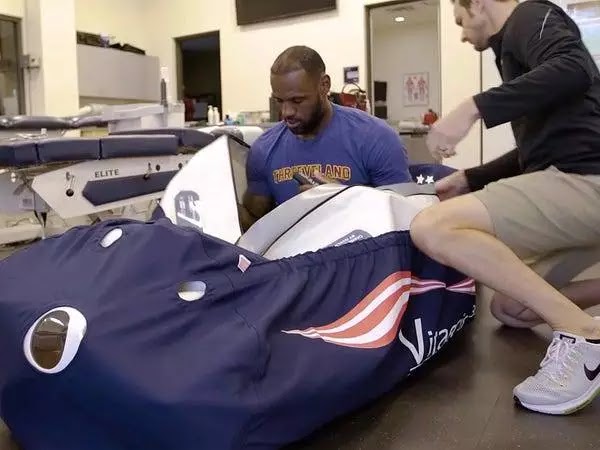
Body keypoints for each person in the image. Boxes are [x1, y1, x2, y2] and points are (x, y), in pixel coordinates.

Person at [409, 0, 600, 415]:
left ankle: (583, 334)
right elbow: (544, 148)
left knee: (433, 227)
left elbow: (575, 67)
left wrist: (471, 109)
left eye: (461, 21)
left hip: (588, 184)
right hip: (578, 183)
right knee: (511, 308)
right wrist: (471, 178)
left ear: (477, 4)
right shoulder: (515, 46)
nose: (462, 34)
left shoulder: (530, 16)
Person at [239, 46, 411, 230]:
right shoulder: (264, 149)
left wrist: (344, 200)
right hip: (293, 247)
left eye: (297, 100)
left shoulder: (376, 137)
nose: (286, 112)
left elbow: (406, 217)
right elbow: (255, 225)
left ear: (324, 85)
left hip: (358, 246)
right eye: (279, 101)